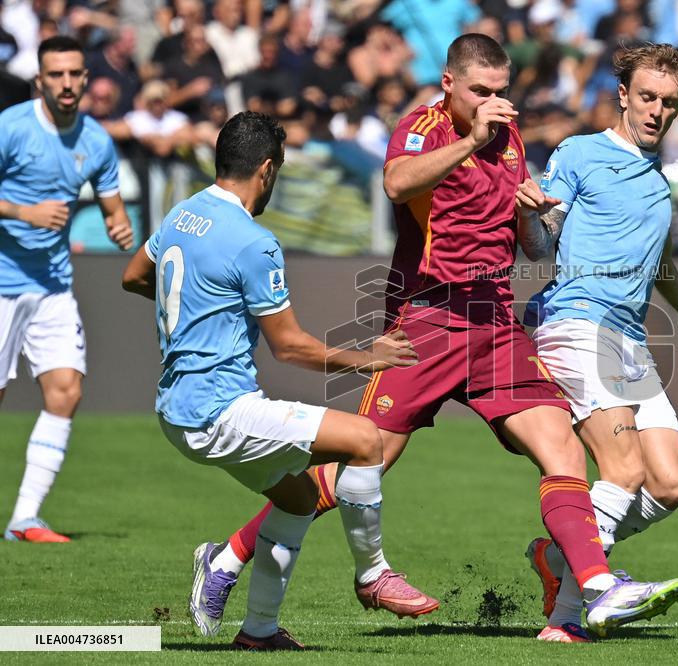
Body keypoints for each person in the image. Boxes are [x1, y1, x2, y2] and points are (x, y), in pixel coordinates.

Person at [190, 33, 678, 642]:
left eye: (502, 94)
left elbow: (532, 247)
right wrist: (475, 138)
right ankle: (228, 557)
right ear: (449, 83)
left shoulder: (509, 139)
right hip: (426, 321)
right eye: (480, 92)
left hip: (496, 325)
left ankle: (592, 591)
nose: (493, 104)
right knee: (357, 467)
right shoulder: (422, 127)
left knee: (564, 451)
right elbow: (397, 184)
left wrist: (531, 213)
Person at [121, 111, 432, 651]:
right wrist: (368, 358)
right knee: (365, 440)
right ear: (267, 169)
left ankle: (258, 629)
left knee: (299, 499)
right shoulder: (253, 241)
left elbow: (133, 276)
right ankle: (373, 573)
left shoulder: (182, 213)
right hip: (219, 409)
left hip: (175, 407)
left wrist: (200, 308)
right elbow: (289, 346)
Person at [517, 42, 678, 642]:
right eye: (648, 97)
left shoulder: (657, 180)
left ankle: (559, 559)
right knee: (623, 469)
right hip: (578, 324)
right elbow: (539, 243)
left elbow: (658, 259)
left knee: (671, 483)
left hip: (629, 338)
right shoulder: (581, 153)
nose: (657, 111)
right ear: (624, 95)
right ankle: (570, 617)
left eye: (670, 103)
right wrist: (529, 214)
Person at [0, 36, 134, 543]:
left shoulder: (95, 140)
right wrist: (22, 212)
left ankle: (24, 519)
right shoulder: (11, 127)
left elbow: (113, 205)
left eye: (74, 74)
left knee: (66, 390)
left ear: (85, 78)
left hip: (53, 285)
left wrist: (120, 227)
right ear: (40, 80)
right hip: (3, 284)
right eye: (55, 75)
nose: (66, 83)